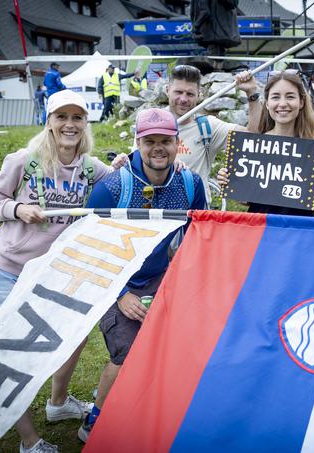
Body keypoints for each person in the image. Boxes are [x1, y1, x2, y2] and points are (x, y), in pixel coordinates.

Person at [0, 90, 115, 453]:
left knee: (71, 337)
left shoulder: (90, 167)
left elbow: (120, 177)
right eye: (62, 117)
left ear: (85, 123)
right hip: (7, 271)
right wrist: (18, 210)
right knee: (4, 354)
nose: (70, 125)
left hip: (52, 274)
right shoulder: (24, 160)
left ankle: (58, 404)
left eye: (77, 118)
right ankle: (28, 441)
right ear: (50, 122)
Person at [78, 108, 206, 442]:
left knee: (175, 347)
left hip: (160, 276)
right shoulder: (113, 185)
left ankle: (153, 406)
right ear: (138, 142)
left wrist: (183, 279)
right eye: (150, 141)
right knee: (128, 354)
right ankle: (95, 419)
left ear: (179, 143)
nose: (158, 148)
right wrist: (120, 294)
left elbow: (202, 235)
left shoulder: (189, 183)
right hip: (111, 279)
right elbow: (88, 246)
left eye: (166, 140)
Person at [217, 70, 314, 216]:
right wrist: (231, 182)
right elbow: (245, 200)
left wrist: (312, 194)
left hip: (299, 232)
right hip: (260, 232)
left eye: (290, 97)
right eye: (275, 97)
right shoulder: (254, 146)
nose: (283, 104)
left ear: (301, 102)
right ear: (267, 103)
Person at [165, 64, 261, 204]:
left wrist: (252, 93)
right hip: (158, 213)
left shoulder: (208, 126)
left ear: (199, 95)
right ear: (168, 90)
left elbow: (252, 137)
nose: (184, 99)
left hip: (197, 214)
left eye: (190, 94)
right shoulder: (150, 122)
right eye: (178, 92)